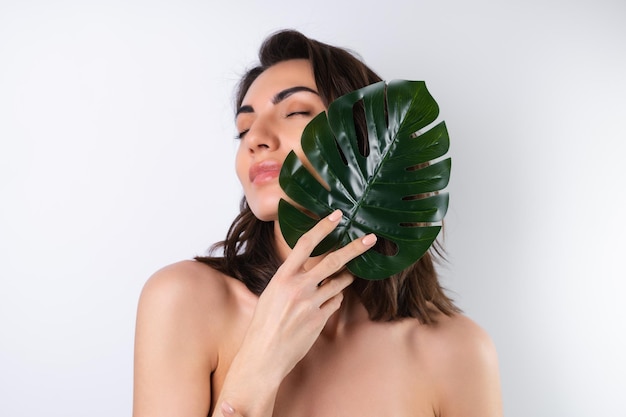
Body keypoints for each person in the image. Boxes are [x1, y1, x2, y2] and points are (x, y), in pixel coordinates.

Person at [133, 29, 502, 417]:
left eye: (295, 111)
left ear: (369, 143)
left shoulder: (457, 351)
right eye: (243, 129)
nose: (255, 138)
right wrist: (259, 364)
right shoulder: (185, 302)